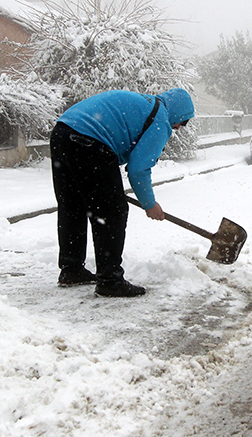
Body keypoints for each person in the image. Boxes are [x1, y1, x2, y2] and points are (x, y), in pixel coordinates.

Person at [49, 88, 195, 297]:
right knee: (112, 211)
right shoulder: (161, 120)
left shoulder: (146, 104)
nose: (180, 127)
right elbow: (138, 169)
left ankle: (71, 269)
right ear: (178, 112)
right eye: (183, 121)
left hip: (62, 133)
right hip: (90, 142)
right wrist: (149, 204)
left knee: (73, 205)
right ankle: (110, 280)